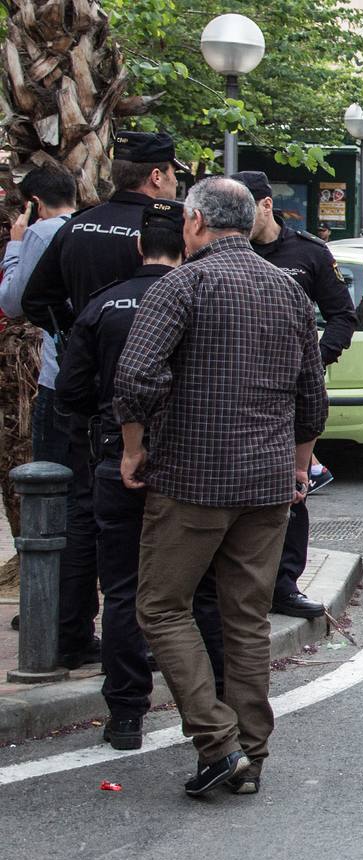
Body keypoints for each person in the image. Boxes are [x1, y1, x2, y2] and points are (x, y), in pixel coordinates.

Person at [112, 176, 327, 797]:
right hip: (265, 483)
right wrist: (298, 465)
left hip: (192, 477)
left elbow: (136, 375)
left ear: (196, 222)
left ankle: (216, 739)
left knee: (160, 605)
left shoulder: (182, 284)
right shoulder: (287, 290)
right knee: (246, 617)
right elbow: (311, 398)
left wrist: (136, 447)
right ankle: (250, 757)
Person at [53, 198, 227, 752]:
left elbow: (73, 391)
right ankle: (212, 707)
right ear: (186, 241)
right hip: (190, 461)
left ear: (136, 247)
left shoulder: (103, 306)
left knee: (124, 590)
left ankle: (127, 713)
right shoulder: (203, 300)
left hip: (118, 458)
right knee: (201, 590)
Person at [20, 131, 182, 670]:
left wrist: (76, 334)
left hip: (78, 393)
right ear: (156, 176)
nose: (176, 182)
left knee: (74, 513)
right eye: (173, 173)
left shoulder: (77, 225)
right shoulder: (162, 227)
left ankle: (69, 634)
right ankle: (136, 642)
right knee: (142, 525)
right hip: (148, 402)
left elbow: (34, 299)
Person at [233, 171, 358, 620]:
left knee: (293, 482)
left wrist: (313, 361)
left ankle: (284, 583)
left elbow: (343, 315)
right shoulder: (226, 249)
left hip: (291, 390)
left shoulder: (308, 252)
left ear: (266, 206)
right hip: (233, 389)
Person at [0, 168, 79, 468]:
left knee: (51, 475)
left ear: (34, 203)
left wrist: (17, 244)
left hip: (56, 375)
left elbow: (12, 301)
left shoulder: (41, 232)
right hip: (92, 371)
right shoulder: (89, 226)